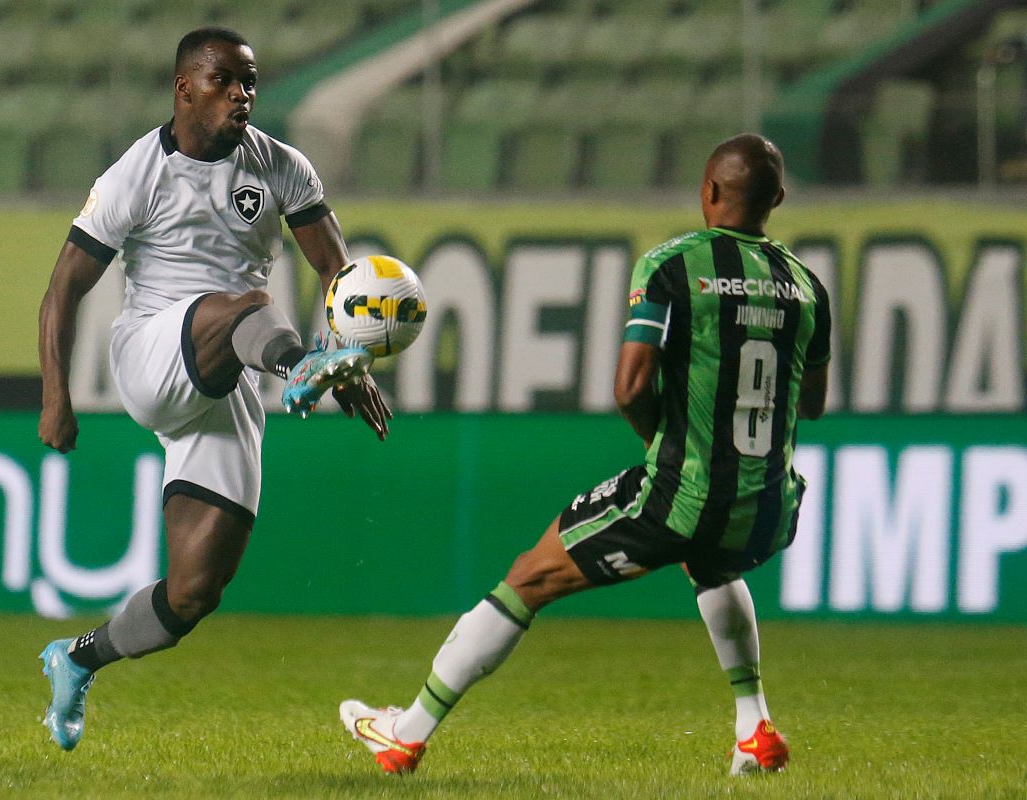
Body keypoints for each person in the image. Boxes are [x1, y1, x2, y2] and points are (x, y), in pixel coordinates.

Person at [340, 133, 830, 777]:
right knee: (712, 563)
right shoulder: (807, 286)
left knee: (528, 578)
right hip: (771, 506)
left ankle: (405, 733)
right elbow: (811, 404)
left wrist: (669, 445)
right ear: (779, 199)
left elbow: (630, 388)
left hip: (685, 489)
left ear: (708, 191)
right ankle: (754, 726)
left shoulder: (672, 266)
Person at [36, 26, 391, 751]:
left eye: (250, 82)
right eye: (226, 81)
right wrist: (55, 395)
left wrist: (347, 349)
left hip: (229, 380)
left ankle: (77, 658)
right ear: (184, 89)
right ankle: (299, 370)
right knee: (247, 304)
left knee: (194, 593)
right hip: (154, 355)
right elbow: (63, 290)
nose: (243, 95)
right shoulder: (136, 174)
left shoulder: (282, 166)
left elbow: (336, 271)